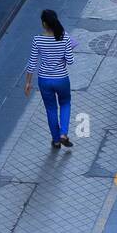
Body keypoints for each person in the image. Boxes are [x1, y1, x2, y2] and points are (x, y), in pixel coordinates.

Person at [23, 9, 76, 149]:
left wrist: (28, 82)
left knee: (51, 109)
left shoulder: (37, 40)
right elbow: (70, 61)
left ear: (44, 24)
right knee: (65, 104)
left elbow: (32, 63)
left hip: (44, 80)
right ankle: (63, 133)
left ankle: (56, 140)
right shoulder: (64, 38)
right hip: (62, 79)